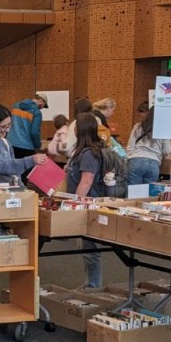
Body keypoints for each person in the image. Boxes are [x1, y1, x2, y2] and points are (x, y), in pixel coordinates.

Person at [0, 102, 48, 292]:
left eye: (9, 125)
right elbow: (1, 166)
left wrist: (25, 191)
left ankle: (17, 287)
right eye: (2, 127)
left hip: (6, 197)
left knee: (29, 237)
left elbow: (10, 172)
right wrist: (30, 160)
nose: (6, 130)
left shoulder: (1, 139)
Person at [66, 113, 106, 289]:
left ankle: (93, 284)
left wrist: (75, 203)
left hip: (87, 205)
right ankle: (90, 282)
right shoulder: (83, 151)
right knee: (87, 247)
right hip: (85, 203)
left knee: (90, 249)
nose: (73, 128)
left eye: (75, 126)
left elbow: (87, 181)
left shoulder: (89, 153)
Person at [125, 105, 171, 186]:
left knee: (132, 194)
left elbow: (130, 146)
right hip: (153, 163)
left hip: (136, 160)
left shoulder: (138, 126)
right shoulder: (164, 129)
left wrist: (128, 160)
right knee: (148, 195)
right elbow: (167, 151)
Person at [8, 93, 47, 158]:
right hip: (26, 147)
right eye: (43, 105)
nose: (42, 108)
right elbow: (34, 132)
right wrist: (39, 145)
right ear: (40, 101)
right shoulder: (36, 112)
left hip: (10, 144)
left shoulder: (15, 105)